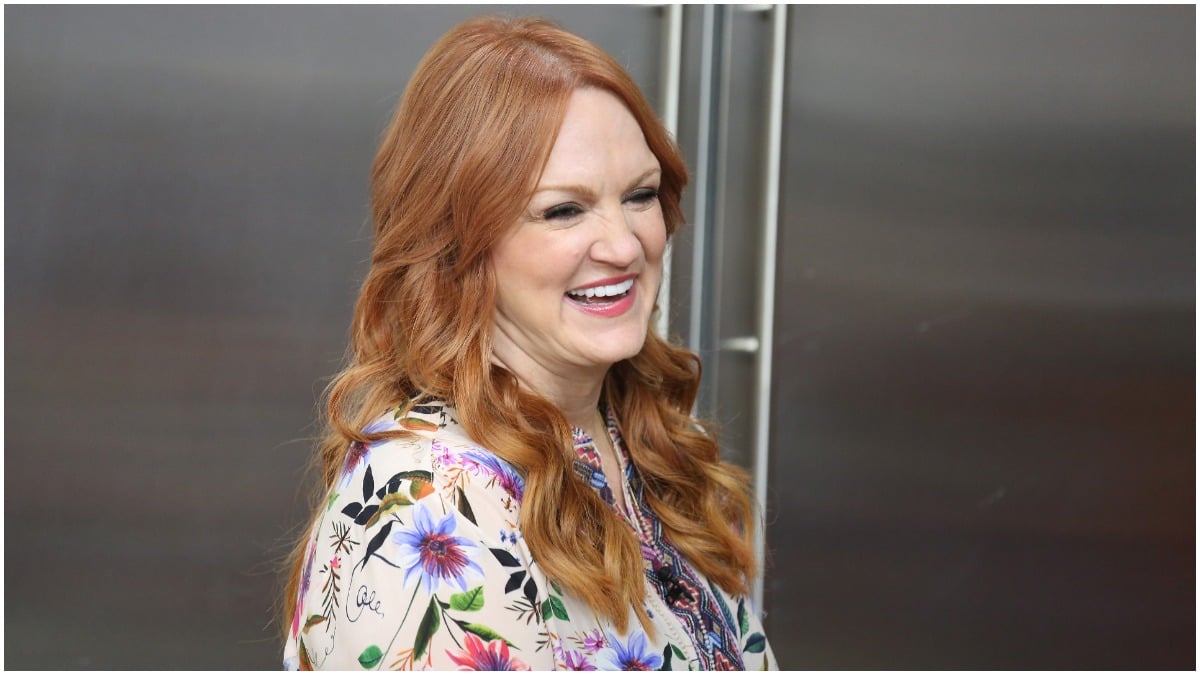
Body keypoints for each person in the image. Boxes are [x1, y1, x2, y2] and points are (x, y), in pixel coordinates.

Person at [282, 15, 775, 671]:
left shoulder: (642, 448)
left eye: (640, 195)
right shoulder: (428, 507)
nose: (625, 245)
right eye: (563, 210)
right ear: (458, 245)